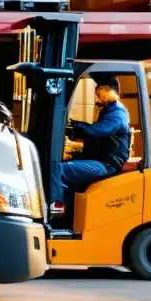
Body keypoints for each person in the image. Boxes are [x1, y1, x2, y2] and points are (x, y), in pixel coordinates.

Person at [50, 75, 131, 218]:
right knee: (62, 164)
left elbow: (98, 131)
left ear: (106, 90)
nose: (97, 94)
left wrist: (74, 128)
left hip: (106, 165)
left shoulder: (117, 113)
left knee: (56, 168)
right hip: (100, 159)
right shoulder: (109, 109)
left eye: (99, 90)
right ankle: (68, 211)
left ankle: (55, 211)